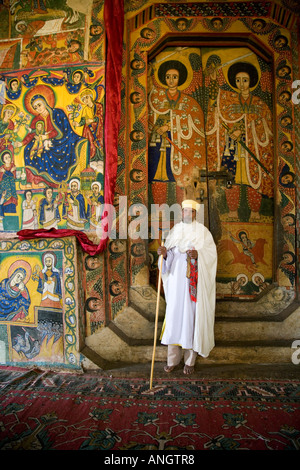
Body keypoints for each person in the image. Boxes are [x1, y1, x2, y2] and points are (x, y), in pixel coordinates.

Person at [157, 199, 217, 375]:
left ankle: (190, 360)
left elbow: (211, 256)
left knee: (191, 320)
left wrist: (199, 255)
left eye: (190, 212)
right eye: (184, 211)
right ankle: (172, 360)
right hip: (176, 285)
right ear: (181, 213)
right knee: (174, 319)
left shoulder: (203, 233)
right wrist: (164, 254)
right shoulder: (175, 231)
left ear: (195, 214)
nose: (187, 214)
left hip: (193, 285)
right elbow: (168, 257)